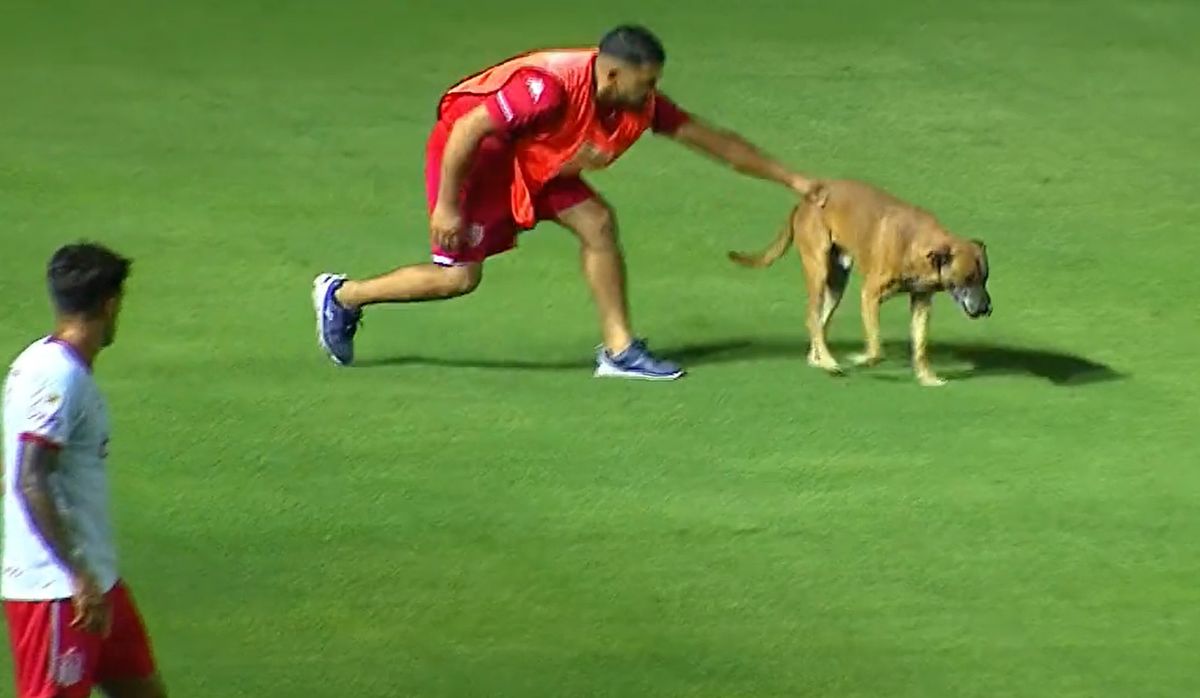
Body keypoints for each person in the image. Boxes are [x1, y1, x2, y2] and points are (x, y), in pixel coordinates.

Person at [313, 24, 822, 380]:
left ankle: (620, 351)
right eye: (646, 82)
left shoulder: (636, 104)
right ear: (614, 75)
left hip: (536, 159)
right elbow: (469, 128)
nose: (653, 92)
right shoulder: (549, 88)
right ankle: (343, 296)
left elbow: (717, 142)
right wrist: (448, 206)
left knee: (598, 222)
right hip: (478, 159)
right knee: (457, 278)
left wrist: (793, 179)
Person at [2, 243, 167, 698]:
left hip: (98, 583)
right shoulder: (57, 377)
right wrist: (75, 574)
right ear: (110, 304)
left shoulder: (39, 363)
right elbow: (29, 478)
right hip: (59, 593)